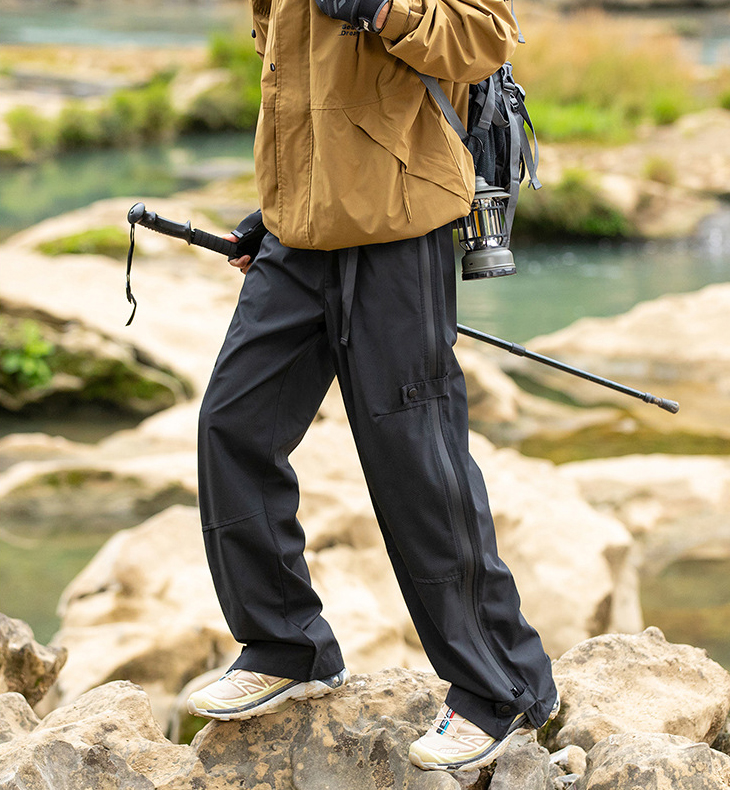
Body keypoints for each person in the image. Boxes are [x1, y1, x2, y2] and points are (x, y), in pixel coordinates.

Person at [187, 0, 558, 772]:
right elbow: (295, 83)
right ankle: (286, 646)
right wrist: (277, 206)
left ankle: (501, 687)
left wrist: (386, 9)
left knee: (414, 460)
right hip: (300, 235)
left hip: (400, 232)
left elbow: (486, 38)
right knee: (232, 426)